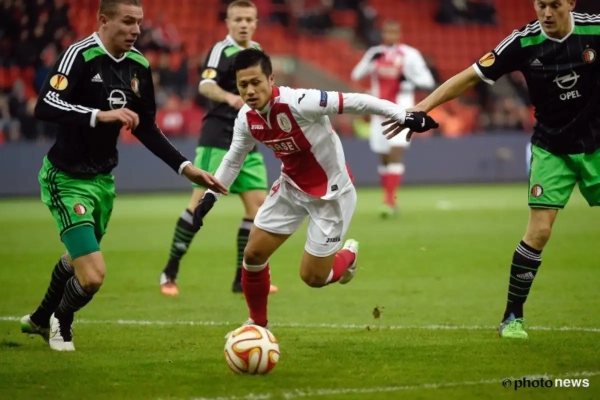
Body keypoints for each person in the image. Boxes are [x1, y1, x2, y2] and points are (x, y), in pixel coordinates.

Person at [383, 0, 600, 339]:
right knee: (539, 233)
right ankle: (512, 317)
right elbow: (470, 76)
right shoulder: (523, 42)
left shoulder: (594, 29)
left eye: (555, 5)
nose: (546, 13)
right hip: (551, 150)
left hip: (596, 145)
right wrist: (421, 107)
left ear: (571, 3)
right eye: (541, 4)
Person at [19, 0, 227, 352]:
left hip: (103, 181)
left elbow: (146, 127)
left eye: (139, 22)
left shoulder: (139, 66)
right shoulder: (79, 55)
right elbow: (45, 105)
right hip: (66, 178)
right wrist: (98, 115)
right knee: (92, 275)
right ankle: (61, 319)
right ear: (103, 20)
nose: (136, 30)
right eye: (128, 21)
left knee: (77, 257)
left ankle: (40, 318)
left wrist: (185, 167)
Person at [192, 48, 438, 330]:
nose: (249, 91)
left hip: (331, 196)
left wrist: (404, 115)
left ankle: (348, 256)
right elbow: (234, 159)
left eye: (255, 82)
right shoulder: (246, 118)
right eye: (242, 84)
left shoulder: (301, 102)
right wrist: (210, 196)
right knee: (253, 255)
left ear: (271, 79)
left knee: (313, 278)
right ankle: (258, 325)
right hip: (290, 188)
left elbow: (357, 101)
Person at [159, 0, 277, 296]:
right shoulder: (221, 50)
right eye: (238, 19)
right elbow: (205, 85)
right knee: (199, 204)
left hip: (248, 137)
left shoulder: (258, 51)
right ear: (228, 22)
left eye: (249, 19)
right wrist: (230, 97)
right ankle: (169, 272)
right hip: (219, 136)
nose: (244, 24)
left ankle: (242, 279)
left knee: (257, 207)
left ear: (256, 23)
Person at [351, 20, 435, 218]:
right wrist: (370, 61)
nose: (391, 36)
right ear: (383, 34)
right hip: (379, 109)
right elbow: (356, 74)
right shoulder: (375, 53)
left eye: (394, 32)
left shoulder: (410, 54)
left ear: (399, 34)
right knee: (384, 157)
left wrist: (408, 77)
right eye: (388, 32)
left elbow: (428, 81)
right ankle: (389, 199)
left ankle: (388, 201)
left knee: (396, 151)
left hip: (403, 110)